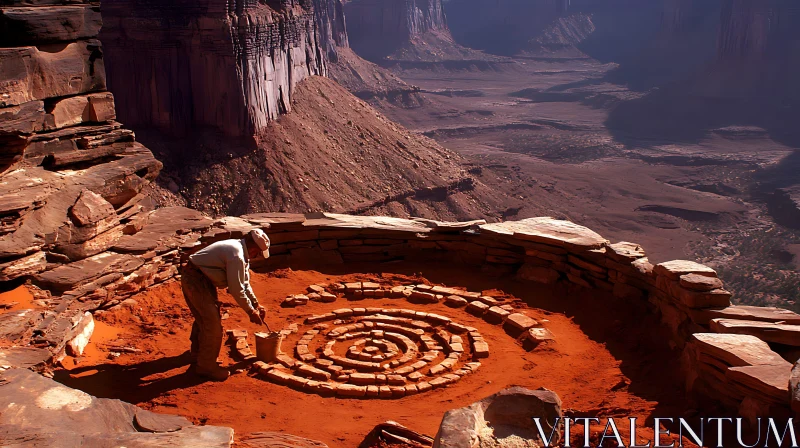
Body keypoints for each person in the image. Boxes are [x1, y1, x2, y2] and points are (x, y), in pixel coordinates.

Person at [180, 228, 270, 381]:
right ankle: (206, 367)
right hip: (196, 280)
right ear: (254, 249)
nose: (257, 256)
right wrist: (250, 311)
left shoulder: (239, 249)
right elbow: (236, 289)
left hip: (200, 279)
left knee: (205, 318)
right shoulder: (236, 255)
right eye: (258, 254)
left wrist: (256, 304)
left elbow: (244, 282)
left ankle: (198, 354)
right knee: (212, 324)